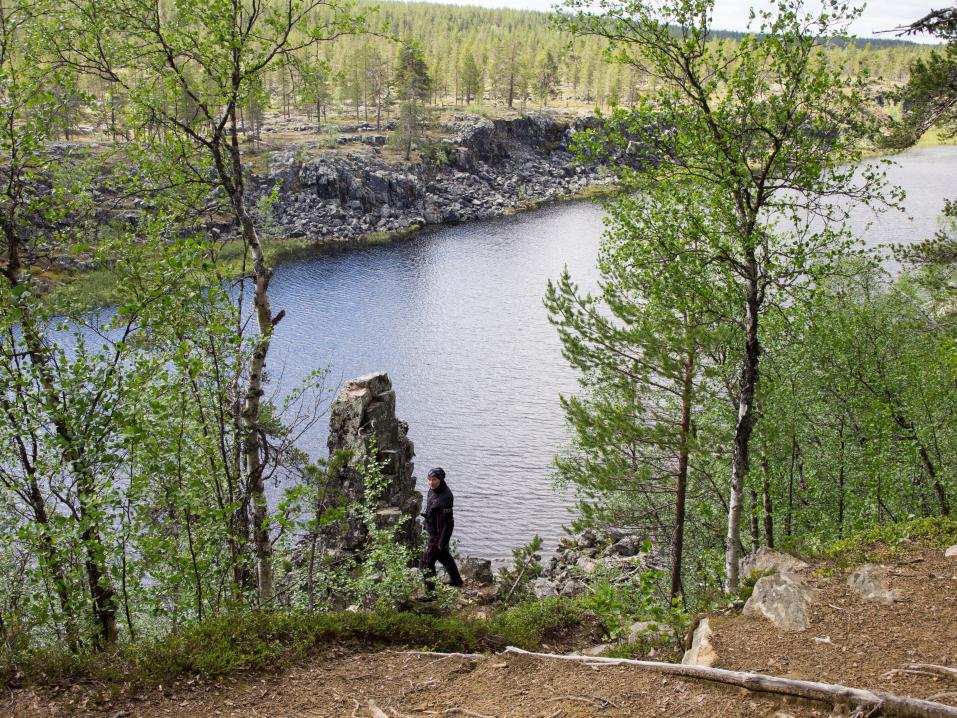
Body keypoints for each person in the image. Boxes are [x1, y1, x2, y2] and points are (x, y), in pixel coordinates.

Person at [420, 467, 463, 595]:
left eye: (434, 479)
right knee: (443, 556)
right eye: (429, 479)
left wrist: (442, 542)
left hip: (437, 536)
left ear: (441, 479)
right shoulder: (432, 490)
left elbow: (449, 523)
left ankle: (430, 594)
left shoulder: (446, 497)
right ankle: (456, 580)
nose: (431, 482)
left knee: (425, 564)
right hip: (432, 530)